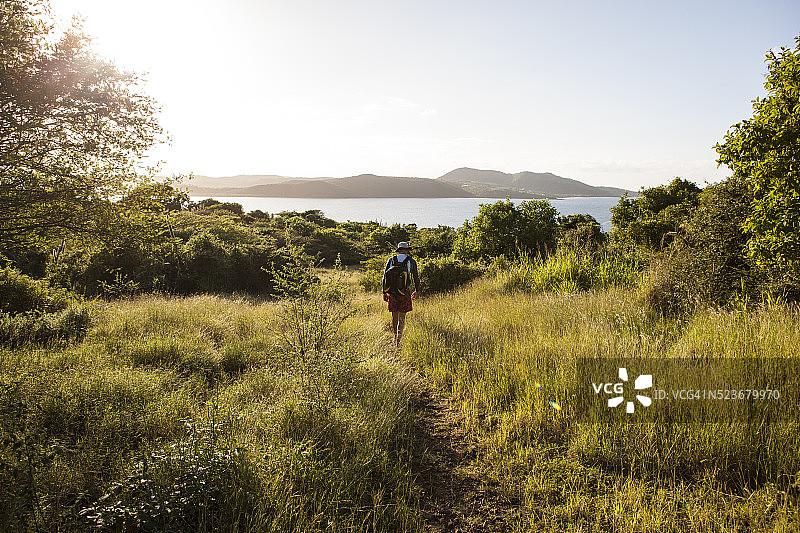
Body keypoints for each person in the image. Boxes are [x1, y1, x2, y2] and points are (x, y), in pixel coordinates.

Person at [382, 241, 420, 347]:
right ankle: (399, 339)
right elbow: (415, 277)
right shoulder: (411, 261)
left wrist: (384, 292)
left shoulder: (391, 260)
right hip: (404, 292)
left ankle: (395, 337)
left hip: (392, 292)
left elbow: (384, 277)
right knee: (402, 317)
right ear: (407, 250)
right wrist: (417, 290)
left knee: (394, 316)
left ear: (398, 250)